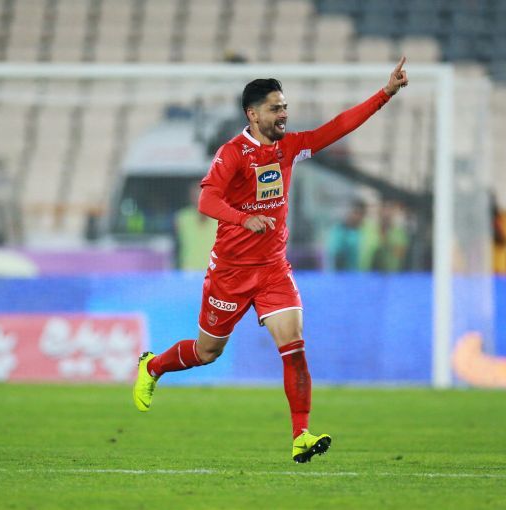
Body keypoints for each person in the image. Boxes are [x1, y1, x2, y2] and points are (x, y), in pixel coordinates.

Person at [133, 58, 408, 463]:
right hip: (230, 273)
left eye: (284, 107)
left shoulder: (289, 147)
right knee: (207, 352)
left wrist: (384, 94)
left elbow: (337, 127)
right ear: (253, 114)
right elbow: (207, 200)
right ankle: (153, 366)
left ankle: (301, 435)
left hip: (273, 270)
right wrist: (243, 218)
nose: (283, 114)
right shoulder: (232, 153)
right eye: (275, 108)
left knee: (294, 347)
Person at [174, 181, 218, 271]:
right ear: (191, 197)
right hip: (188, 271)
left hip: (214, 271)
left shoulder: (220, 218)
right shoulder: (182, 218)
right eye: (195, 195)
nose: (199, 199)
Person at [326, 198, 367, 271]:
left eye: (361, 214)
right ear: (349, 212)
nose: (357, 217)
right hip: (342, 274)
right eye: (355, 212)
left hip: (361, 274)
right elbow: (335, 255)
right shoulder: (339, 231)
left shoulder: (365, 232)